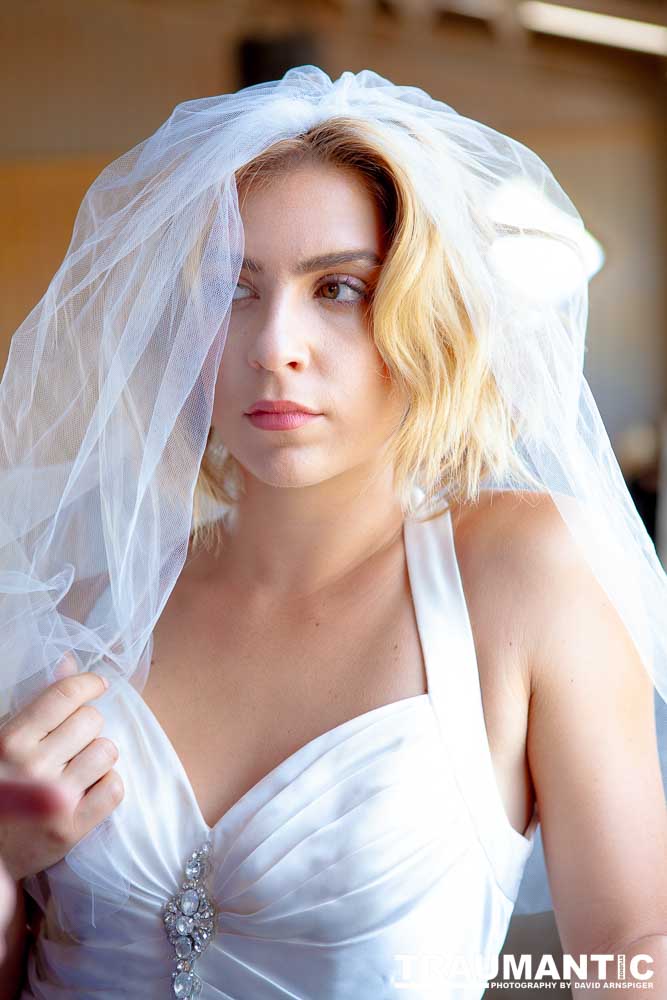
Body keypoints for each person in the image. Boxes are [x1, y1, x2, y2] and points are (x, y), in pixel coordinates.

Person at [0, 66, 665, 998]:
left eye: (339, 288)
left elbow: (633, 953)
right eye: (232, 290)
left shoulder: (525, 573)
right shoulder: (79, 601)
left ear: (423, 315)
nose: (275, 344)